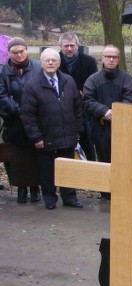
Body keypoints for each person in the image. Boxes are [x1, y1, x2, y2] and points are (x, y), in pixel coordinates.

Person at [20, 48, 83, 210]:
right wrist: (36, 137)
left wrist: (78, 130)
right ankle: (49, 198)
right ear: (41, 63)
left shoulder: (69, 81)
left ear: (59, 63)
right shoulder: (32, 86)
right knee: (47, 170)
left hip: (67, 135)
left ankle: (70, 197)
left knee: (68, 168)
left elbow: (77, 107)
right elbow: (28, 115)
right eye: (47, 60)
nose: (50, 63)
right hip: (46, 137)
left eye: (53, 60)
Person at [83, 45, 132, 199]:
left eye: (114, 57)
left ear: (118, 59)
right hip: (100, 130)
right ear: (102, 58)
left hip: (122, 130)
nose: (110, 60)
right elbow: (88, 101)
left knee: (122, 162)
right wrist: (104, 111)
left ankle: (121, 192)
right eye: (107, 56)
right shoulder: (93, 80)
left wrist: (118, 112)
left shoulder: (126, 80)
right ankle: (105, 193)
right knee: (104, 161)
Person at [0, 37, 41, 203]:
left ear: (27, 51)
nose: (18, 55)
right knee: (17, 156)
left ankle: (35, 188)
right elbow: (2, 95)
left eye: (21, 51)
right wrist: (18, 110)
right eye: (14, 52)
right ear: (9, 54)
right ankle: (21, 189)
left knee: (34, 155)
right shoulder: (3, 71)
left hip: (35, 120)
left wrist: (30, 111)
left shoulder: (38, 68)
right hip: (14, 120)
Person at [57, 32, 98, 161]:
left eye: (72, 46)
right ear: (60, 46)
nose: (69, 49)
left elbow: (94, 83)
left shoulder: (89, 62)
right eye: (66, 46)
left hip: (84, 108)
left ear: (77, 46)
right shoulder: (54, 61)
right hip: (61, 109)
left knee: (87, 142)